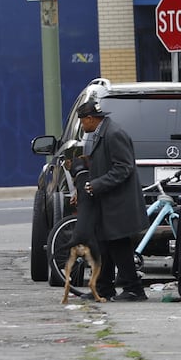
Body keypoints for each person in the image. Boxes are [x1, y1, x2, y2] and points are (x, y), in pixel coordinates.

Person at [76, 99, 149, 301]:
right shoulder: (104, 132)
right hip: (108, 203)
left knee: (119, 246)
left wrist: (97, 184)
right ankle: (103, 289)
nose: (82, 126)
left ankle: (134, 290)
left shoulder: (114, 134)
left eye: (83, 121)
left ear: (90, 119)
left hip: (119, 204)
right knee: (104, 246)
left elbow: (124, 167)